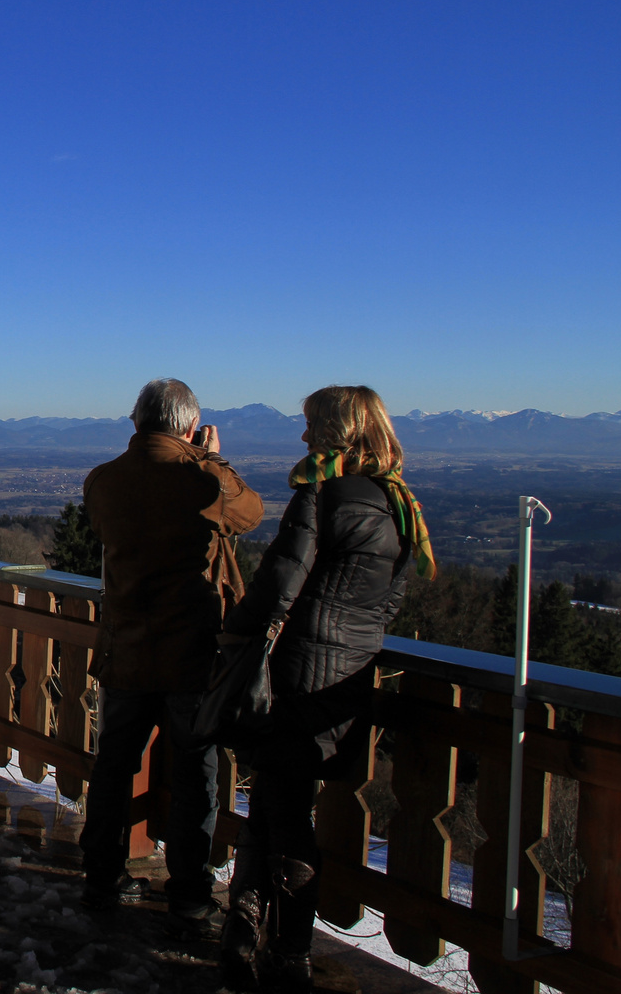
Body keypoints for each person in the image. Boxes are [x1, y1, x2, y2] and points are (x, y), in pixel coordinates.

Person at [217, 386, 434, 992]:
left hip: (297, 670)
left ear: (340, 431)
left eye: (312, 425)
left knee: (284, 810)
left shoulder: (321, 492)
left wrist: (233, 640)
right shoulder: (400, 504)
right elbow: (390, 600)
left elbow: (279, 580)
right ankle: (245, 929)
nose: (304, 436)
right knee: (281, 797)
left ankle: (285, 952)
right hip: (348, 677)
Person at [78, 378, 264, 934]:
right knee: (194, 776)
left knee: (114, 767)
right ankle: (188, 892)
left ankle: (101, 878)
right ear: (188, 426)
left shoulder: (104, 481)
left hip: (126, 649)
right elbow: (249, 513)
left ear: (136, 422)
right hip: (191, 654)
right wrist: (211, 457)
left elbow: (102, 528)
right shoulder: (201, 478)